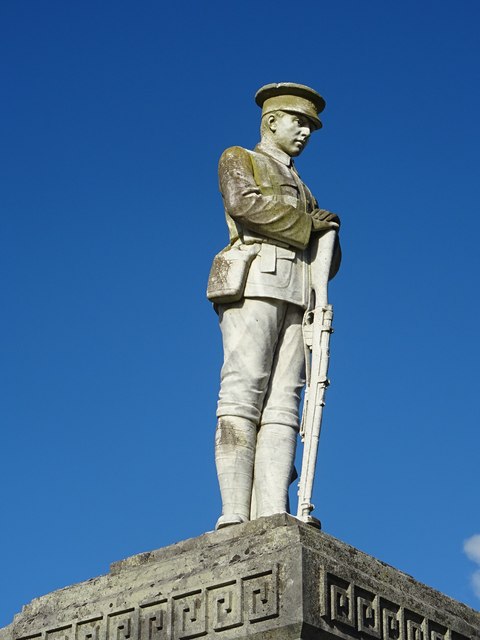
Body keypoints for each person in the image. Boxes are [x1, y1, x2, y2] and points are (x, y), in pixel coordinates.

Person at [207, 82, 341, 530]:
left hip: (298, 293)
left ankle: (271, 510)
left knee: (284, 403)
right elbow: (245, 206)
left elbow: (324, 259)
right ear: (272, 122)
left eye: (310, 127)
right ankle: (234, 513)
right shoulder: (239, 159)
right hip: (255, 282)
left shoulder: (306, 190)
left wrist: (327, 233)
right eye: (298, 122)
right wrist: (310, 226)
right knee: (242, 394)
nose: (305, 133)